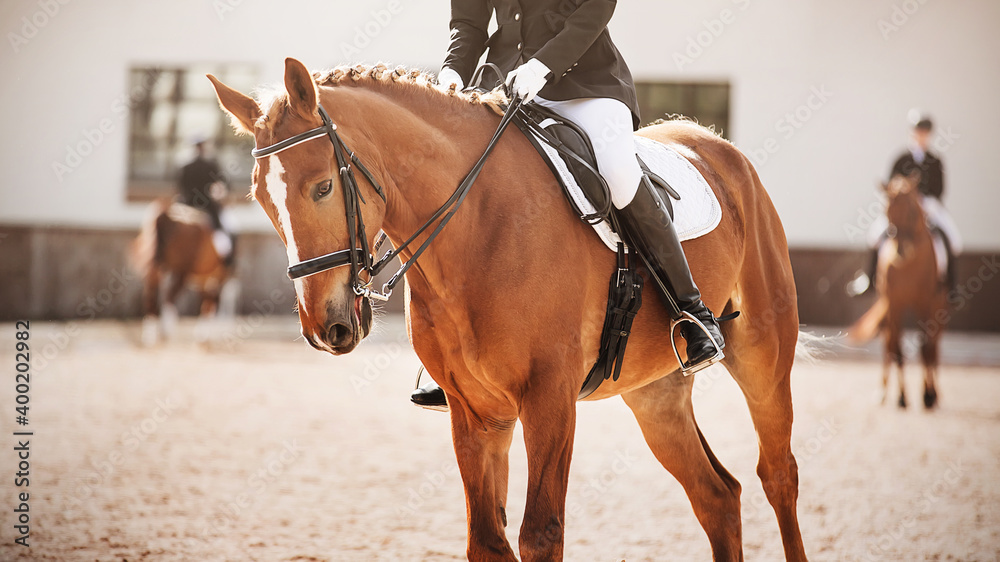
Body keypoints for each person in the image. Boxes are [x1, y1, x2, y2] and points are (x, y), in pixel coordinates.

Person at [411, 0, 726, 410]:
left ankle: (692, 312)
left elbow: (595, 10)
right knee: (464, 178)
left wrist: (544, 65)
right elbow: (467, 24)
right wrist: (453, 71)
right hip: (506, 85)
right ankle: (456, 356)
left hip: (586, 83)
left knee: (617, 173)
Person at [850, 117, 962, 296]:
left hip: (929, 207)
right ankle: (869, 279)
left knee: (954, 240)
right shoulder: (902, 159)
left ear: (929, 135)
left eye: (924, 133)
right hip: (902, 210)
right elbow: (890, 185)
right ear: (912, 133)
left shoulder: (935, 160)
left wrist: (924, 202)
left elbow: (940, 189)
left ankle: (951, 285)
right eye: (918, 132)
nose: (921, 136)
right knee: (874, 235)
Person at [177, 138, 235, 265]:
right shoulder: (211, 165)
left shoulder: (185, 166)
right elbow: (224, 183)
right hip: (207, 206)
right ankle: (227, 262)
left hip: (185, 205)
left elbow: (179, 188)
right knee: (224, 231)